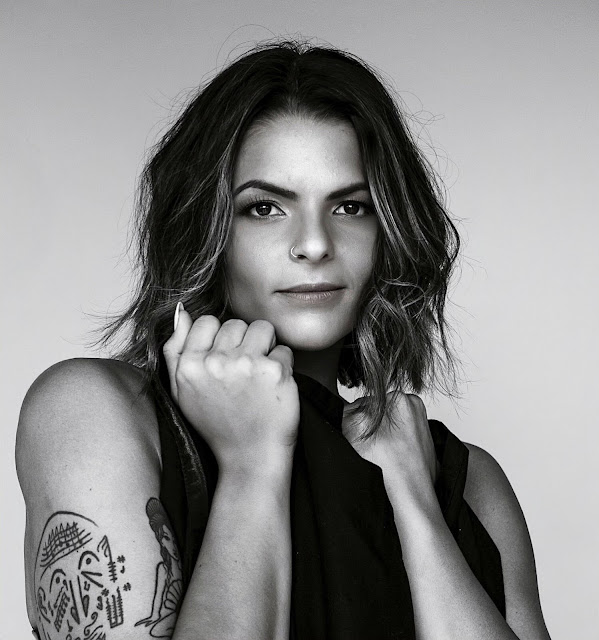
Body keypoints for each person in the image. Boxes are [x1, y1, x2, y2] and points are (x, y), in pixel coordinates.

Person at [16, 39, 551, 639]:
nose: (315, 244)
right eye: (266, 207)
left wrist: (415, 505)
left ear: (391, 231)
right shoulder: (94, 413)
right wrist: (252, 464)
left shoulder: (469, 482)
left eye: (350, 207)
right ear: (205, 229)